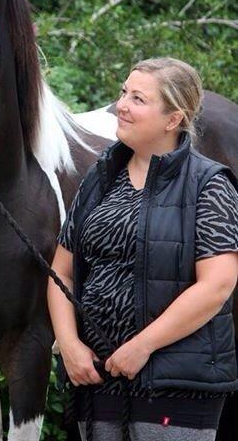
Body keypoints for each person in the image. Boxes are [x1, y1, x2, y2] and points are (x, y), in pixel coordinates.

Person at [48, 57, 238, 441]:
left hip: (177, 387)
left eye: (138, 98)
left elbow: (217, 286)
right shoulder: (99, 179)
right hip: (99, 382)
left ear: (172, 119)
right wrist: (69, 345)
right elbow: (61, 273)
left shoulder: (209, 184)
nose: (121, 105)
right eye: (123, 93)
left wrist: (141, 347)